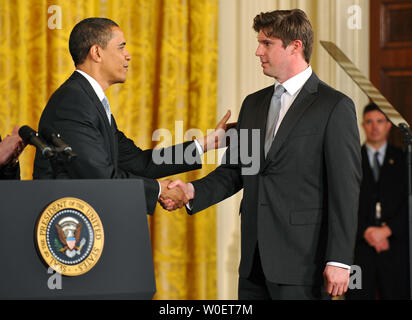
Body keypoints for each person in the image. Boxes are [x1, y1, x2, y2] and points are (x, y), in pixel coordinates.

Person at [162, 9, 362, 299]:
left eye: (267, 43)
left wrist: (340, 259)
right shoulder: (253, 104)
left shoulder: (334, 106)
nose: (258, 51)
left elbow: (346, 189)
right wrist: (192, 190)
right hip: (253, 262)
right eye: (259, 42)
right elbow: (233, 171)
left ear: (296, 46)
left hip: (303, 263)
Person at [33, 17, 230, 214]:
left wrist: (207, 144)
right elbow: (100, 177)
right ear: (97, 53)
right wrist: (160, 189)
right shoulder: (73, 102)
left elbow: (140, 163)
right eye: (121, 47)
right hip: (70, 228)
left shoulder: (89, 101)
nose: (128, 55)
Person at [346, 103, 409, 300]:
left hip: (395, 247)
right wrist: (366, 231)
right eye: (370, 122)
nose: (375, 127)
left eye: (380, 121)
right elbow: (345, 203)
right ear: (363, 125)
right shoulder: (351, 160)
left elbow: (409, 203)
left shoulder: (404, 159)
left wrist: (387, 230)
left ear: (388, 125)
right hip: (358, 249)